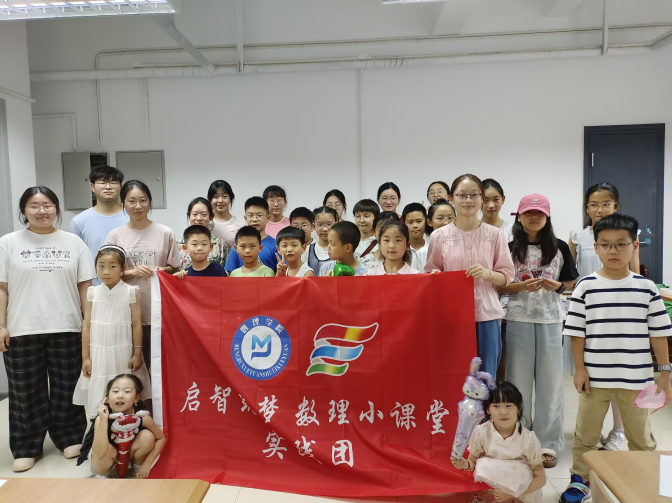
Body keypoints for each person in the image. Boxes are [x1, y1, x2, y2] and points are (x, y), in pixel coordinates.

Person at [560, 214, 671, 503]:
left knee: (641, 438)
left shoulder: (647, 288)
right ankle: (580, 479)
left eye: (621, 244)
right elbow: (577, 334)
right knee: (586, 434)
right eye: (606, 244)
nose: (614, 251)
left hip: (637, 379)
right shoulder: (585, 286)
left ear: (634, 246)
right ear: (596, 248)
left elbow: (659, 334)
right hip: (595, 378)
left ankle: (645, 479)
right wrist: (580, 369)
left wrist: (665, 373)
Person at [0, 186, 95, 472]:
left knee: (67, 385)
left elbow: (85, 287)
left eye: (47, 205)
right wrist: (1, 324)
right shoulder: (8, 243)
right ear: (24, 210)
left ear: (56, 208)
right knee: (25, 390)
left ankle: (69, 437)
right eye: (34, 205)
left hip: (67, 325)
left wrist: (87, 323)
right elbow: (2, 288)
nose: (42, 211)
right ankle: (26, 446)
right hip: (21, 327)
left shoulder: (73, 243)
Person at [497, 194, 578, 469]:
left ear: (547, 217)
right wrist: (521, 286)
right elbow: (499, 285)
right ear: (519, 216)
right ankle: (519, 439)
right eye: (529, 213)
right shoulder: (509, 247)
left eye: (539, 213)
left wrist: (558, 286)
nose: (534, 217)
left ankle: (548, 442)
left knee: (550, 384)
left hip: (551, 320)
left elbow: (569, 282)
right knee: (518, 383)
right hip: (517, 318)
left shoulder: (559, 247)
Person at [567, 182, 640, 452]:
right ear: (586, 208)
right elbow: (571, 275)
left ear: (616, 206)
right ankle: (591, 431)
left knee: (618, 375)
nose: (600, 209)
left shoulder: (628, 234)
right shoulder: (577, 236)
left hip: (619, 311)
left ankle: (618, 431)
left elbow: (635, 272)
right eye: (594, 205)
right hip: (590, 311)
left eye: (606, 204)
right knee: (590, 375)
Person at [425, 174, 515, 378]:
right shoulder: (439, 236)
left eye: (474, 195)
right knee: (454, 373)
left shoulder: (495, 234)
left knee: (486, 374)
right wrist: (436, 276)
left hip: (486, 312)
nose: (468, 200)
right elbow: (431, 271)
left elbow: (507, 276)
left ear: (481, 198)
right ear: (451, 198)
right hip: (452, 313)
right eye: (462, 195)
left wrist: (487, 274)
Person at [104, 180, 180, 371]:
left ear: (150, 202)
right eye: (131, 201)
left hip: (159, 310)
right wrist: (133, 272)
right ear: (123, 204)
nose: (138, 206)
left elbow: (175, 268)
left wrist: (162, 270)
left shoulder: (165, 232)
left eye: (143, 200)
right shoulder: (115, 236)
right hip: (125, 312)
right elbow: (106, 274)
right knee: (129, 368)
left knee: (160, 368)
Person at [73, 245, 151, 419]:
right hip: (98, 354)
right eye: (101, 266)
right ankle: (99, 429)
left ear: (123, 268)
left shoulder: (131, 292)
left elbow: (136, 325)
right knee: (99, 392)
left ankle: (127, 427)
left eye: (112, 266)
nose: (106, 272)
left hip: (123, 353)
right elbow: (87, 325)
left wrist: (137, 353)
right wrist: (85, 358)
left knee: (123, 386)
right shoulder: (92, 293)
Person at [452, 381, 545, 503]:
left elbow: (541, 478)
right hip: (494, 493)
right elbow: (472, 463)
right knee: (483, 464)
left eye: (508, 405)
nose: (503, 412)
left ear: (518, 408)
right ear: (488, 409)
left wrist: (512, 494)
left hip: (521, 493)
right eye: (496, 406)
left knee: (522, 471)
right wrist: (464, 464)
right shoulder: (481, 432)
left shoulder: (528, 438)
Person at [85, 375, 165, 478]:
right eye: (115, 391)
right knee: (104, 453)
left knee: (147, 436)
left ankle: (136, 467)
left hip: (128, 456)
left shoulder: (142, 417)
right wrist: (104, 421)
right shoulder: (102, 418)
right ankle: (109, 471)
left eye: (127, 391)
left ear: (136, 398)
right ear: (107, 398)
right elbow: (99, 452)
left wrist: (148, 462)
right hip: (106, 459)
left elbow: (161, 438)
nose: (120, 395)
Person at [68, 166, 129, 286]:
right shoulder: (79, 221)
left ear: (121, 186)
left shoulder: (132, 217)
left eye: (113, 182)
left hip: (129, 286)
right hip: (94, 289)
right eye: (102, 182)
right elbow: (74, 260)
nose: (108, 187)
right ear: (92, 186)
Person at [224, 197, 278, 274]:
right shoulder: (238, 246)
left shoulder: (275, 245)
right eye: (250, 215)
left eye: (259, 215)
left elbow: (282, 272)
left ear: (268, 217)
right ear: (245, 218)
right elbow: (230, 274)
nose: (255, 219)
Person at [176, 197, 228, 272]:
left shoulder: (220, 244)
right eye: (195, 214)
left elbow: (226, 273)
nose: (199, 218)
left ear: (211, 216)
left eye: (204, 215)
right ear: (188, 215)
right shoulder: (178, 245)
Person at [209, 180, 244, 249]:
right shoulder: (206, 223)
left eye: (224, 196)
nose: (220, 201)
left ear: (230, 199)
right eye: (216, 197)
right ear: (210, 200)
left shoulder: (240, 226)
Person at [307, 206, 337, 274]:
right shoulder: (307, 250)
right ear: (313, 226)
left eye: (329, 224)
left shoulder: (341, 249)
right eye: (320, 225)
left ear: (336, 225)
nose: (325, 229)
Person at [482, 178, 513, 243]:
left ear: (503, 199)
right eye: (485, 200)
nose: (491, 205)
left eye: (496, 199)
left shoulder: (512, 230)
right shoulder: (471, 230)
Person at [352, 199, 380, 270]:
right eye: (358, 216)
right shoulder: (349, 241)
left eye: (366, 216)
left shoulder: (381, 242)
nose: (361, 220)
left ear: (376, 218)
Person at [401, 203, 428, 273]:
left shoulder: (432, 249)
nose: (415, 226)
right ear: (404, 224)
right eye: (410, 222)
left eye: (419, 221)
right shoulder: (400, 251)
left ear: (426, 222)